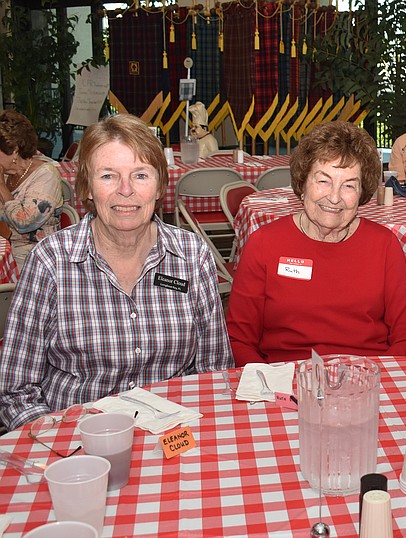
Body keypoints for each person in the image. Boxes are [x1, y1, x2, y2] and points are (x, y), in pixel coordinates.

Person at [0, 114, 234, 430]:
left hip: (175, 438)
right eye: (108, 176)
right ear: (87, 188)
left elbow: (214, 371)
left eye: (140, 175)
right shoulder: (50, 262)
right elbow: (15, 392)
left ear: (160, 186)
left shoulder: (192, 256)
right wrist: (60, 445)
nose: (126, 190)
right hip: (78, 444)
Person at [227, 120, 406, 365]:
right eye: (323, 180)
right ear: (302, 183)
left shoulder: (383, 245)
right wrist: (268, 382)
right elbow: (238, 340)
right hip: (285, 379)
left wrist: (372, 377)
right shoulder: (264, 243)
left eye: (349, 185)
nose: (334, 197)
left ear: (362, 193)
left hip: (366, 378)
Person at [0, 110, 63, 268]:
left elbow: (24, 223)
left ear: (14, 150)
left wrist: (1, 186)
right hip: (8, 250)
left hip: (35, 258)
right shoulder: (8, 174)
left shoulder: (46, 175)